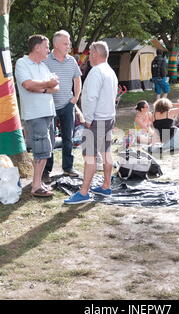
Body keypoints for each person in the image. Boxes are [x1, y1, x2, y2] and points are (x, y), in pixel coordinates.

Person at [64, 41, 118, 205]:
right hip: (108, 117)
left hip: (96, 120)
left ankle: (84, 192)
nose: (88, 56)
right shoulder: (110, 71)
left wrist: (87, 119)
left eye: (90, 52)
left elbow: (91, 98)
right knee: (106, 152)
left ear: (95, 53)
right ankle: (106, 186)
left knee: (90, 156)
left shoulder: (96, 72)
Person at [15, 34, 60, 198]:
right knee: (42, 150)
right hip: (35, 114)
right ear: (38, 47)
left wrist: (43, 87)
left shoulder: (43, 66)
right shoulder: (22, 63)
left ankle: (38, 182)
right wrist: (48, 84)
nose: (49, 50)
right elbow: (28, 85)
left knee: (47, 149)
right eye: (47, 47)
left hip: (48, 112)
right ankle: (35, 186)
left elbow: (56, 87)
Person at [43, 30, 82, 177]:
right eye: (65, 43)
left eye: (69, 42)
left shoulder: (71, 60)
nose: (69, 45)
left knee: (68, 138)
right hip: (49, 106)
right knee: (49, 139)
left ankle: (68, 167)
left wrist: (75, 98)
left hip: (67, 105)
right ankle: (47, 169)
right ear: (56, 44)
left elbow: (77, 79)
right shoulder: (45, 61)